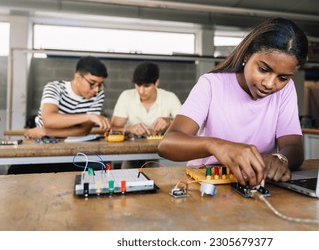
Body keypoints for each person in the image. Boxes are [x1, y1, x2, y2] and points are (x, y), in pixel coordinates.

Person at [158, 17, 308, 188]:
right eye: (263, 70)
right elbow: (167, 144)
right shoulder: (211, 84)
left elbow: (293, 146)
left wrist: (280, 159)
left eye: (282, 78)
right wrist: (217, 146)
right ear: (247, 55)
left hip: (257, 187)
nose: (269, 83)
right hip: (207, 186)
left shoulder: (286, 90)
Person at [24, 56, 111, 139]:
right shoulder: (54, 87)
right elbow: (49, 120)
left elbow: (84, 131)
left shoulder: (98, 94)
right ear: (77, 77)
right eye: (92, 83)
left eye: (100, 84)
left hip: (68, 141)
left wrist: (46, 132)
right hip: (42, 140)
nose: (96, 89)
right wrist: (89, 117)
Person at [111, 61, 181, 136]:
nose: (141, 91)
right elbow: (112, 129)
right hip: (132, 145)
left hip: (161, 146)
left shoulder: (170, 97)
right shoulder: (126, 96)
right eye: (138, 85)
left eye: (146, 86)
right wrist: (130, 129)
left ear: (156, 83)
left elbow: (185, 125)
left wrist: (169, 121)